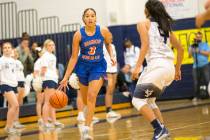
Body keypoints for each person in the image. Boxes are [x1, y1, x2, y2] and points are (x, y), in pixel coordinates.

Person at [131, 0, 184, 139]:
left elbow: (145, 45)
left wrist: (137, 67)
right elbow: (181, 48)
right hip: (169, 69)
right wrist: (177, 70)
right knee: (150, 101)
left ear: (147, 10)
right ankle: (163, 129)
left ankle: (158, 129)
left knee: (137, 101)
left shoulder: (143, 23)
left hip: (157, 66)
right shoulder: (165, 27)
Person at [60, 8, 115, 140]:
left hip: (98, 66)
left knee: (91, 97)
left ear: (96, 18)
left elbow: (108, 43)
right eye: (87, 16)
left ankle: (86, 129)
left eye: (92, 16)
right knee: (86, 101)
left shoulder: (103, 30)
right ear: (83, 19)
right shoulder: (78, 35)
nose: (90, 18)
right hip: (83, 68)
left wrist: (111, 56)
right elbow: (73, 57)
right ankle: (87, 115)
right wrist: (66, 77)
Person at [40, 39, 63, 129]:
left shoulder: (52, 56)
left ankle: (54, 121)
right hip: (48, 79)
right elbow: (43, 70)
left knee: (52, 102)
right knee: (47, 102)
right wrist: (40, 80)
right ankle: (45, 122)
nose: (51, 47)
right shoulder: (45, 56)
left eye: (53, 45)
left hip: (53, 79)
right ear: (46, 47)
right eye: (49, 45)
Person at [0, 42, 19, 134]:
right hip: (5, 84)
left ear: (11, 49)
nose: (7, 49)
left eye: (9, 47)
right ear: (2, 50)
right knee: (15, 105)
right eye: (5, 48)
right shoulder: (1, 60)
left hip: (14, 84)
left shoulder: (13, 60)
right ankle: (8, 126)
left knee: (11, 106)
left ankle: (10, 126)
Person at [188, 31, 210, 101]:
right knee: (196, 82)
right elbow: (189, 56)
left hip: (205, 65)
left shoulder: (205, 44)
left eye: (199, 37)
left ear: (201, 37)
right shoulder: (193, 45)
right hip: (195, 66)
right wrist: (191, 50)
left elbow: (208, 54)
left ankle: (208, 95)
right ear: (195, 37)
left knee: (207, 80)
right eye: (197, 37)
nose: (198, 38)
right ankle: (197, 96)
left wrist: (199, 51)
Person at [103, 40, 121, 120]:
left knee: (112, 90)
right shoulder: (102, 46)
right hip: (107, 69)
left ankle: (110, 109)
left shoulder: (113, 46)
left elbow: (115, 58)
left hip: (114, 69)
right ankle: (108, 110)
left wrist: (116, 69)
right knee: (109, 88)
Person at [12, 49, 25, 129]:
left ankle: (16, 121)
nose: (16, 54)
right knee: (14, 104)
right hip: (15, 82)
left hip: (21, 82)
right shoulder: (10, 62)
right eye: (14, 52)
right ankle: (12, 121)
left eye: (17, 52)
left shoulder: (19, 62)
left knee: (19, 103)